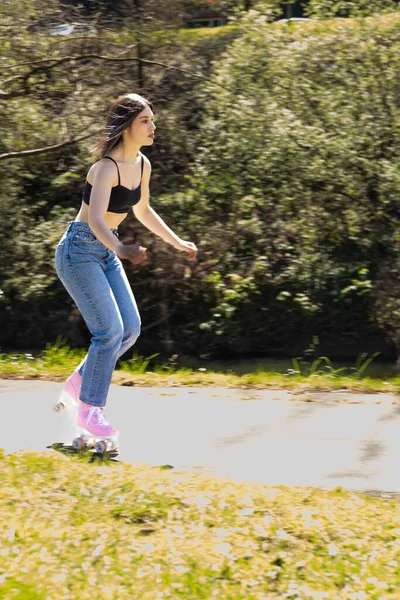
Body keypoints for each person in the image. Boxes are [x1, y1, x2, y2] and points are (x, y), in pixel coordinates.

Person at [54, 93, 198, 441]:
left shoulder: (142, 164)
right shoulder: (104, 167)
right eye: (145, 120)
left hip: (104, 252)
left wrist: (177, 242)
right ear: (126, 127)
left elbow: (143, 211)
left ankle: (78, 383)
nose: (153, 126)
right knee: (109, 332)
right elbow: (98, 221)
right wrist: (119, 247)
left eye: (152, 119)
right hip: (78, 250)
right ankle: (91, 412)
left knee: (130, 329)